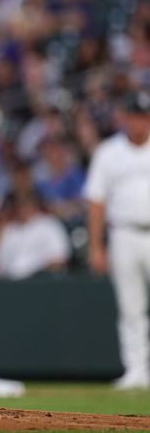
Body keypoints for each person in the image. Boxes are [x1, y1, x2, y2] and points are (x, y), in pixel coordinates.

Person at [84, 92, 150, 390]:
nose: (140, 120)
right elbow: (96, 201)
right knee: (131, 306)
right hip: (123, 232)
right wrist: (96, 245)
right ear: (126, 117)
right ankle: (136, 370)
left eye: (144, 115)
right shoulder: (109, 152)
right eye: (135, 114)